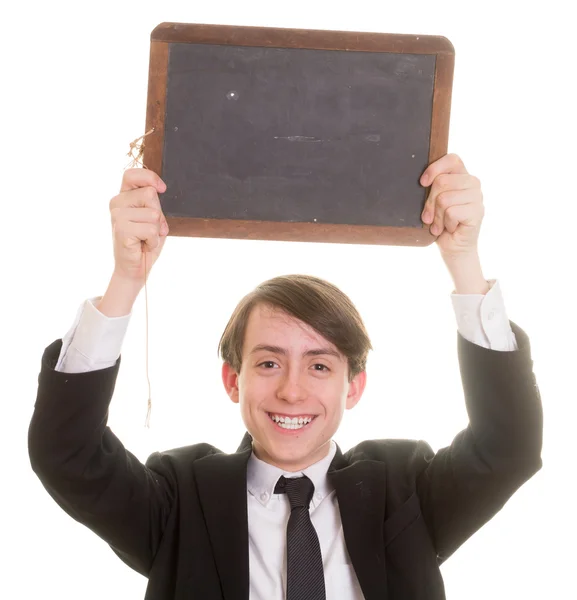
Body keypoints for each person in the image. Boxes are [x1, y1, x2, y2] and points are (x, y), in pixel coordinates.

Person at [28, 153, 543, 600]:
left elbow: (508, 447)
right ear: (233, 380)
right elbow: (67, 452)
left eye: (320, 365)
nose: (292, 390)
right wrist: (126, 278)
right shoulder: (181, 502)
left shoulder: (403, 492)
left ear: (354, 387)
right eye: (269, 362)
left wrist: (463, 261)